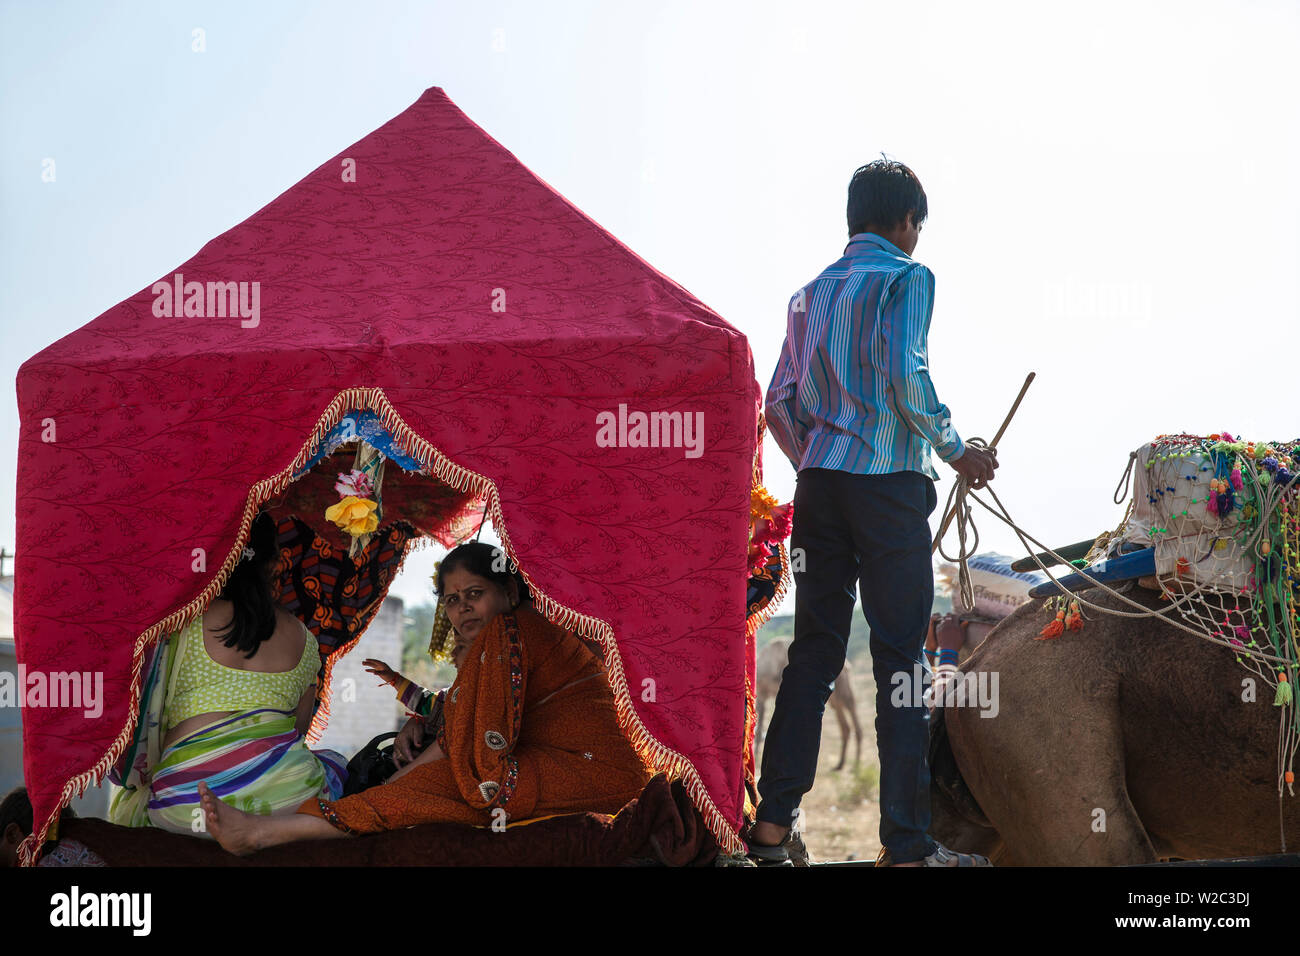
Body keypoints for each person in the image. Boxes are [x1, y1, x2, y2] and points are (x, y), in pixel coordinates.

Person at [751, 159, 999, 867]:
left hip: (820, 489)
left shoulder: (807, 296)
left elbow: (778, 403)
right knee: (899, 660)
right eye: (918, 224)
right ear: (905, 222)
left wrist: (820, 461)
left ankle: (772, 824)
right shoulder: (906, 277)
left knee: (815, 653)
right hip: (888, 487)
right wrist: (958, 451)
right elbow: (904, 372)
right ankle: (907, 845)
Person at [198, 541, 652, 855]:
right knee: (437, 786)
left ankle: (267, 833)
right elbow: (459, 720)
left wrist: (395, 787)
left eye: (475, 594)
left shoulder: (512, 630)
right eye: (452, 600)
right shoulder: (506, 638)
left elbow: (461, 741)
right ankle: (288, 828)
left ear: (509, 592)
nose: (463, 608)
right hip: (573, 767)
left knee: (440, 787)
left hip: (595, 774)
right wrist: (424, 727)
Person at [109, 510, 346, 835]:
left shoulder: (181, 622)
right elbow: (301, 728)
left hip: (186, 803)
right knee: (337, 764)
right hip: (288, 796)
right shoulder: (304, 638)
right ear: (274, 564)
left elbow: (143, 716)